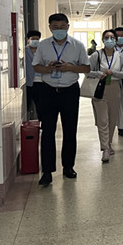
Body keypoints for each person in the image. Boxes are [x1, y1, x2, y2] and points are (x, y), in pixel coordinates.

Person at [32, 13, 90, 186]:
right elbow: (36, 66)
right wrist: (48, 68)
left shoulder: (78, 45)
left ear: (68, 27)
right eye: (55, 27)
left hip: (70, 91)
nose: (59, 30)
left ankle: (68, 167)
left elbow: (86, 68)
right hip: (48, 91)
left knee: (70, 130)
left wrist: (69, 67)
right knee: (47, 131)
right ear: (50, 27)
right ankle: (47, 171)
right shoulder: (43, 45)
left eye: (62, 27)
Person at [88, 30, 123, 162]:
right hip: (100, 89)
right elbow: (88, 71)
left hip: (115, 88)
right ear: (103, 40)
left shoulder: (120, 56)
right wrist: (99, 73)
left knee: (112, 119)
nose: (109, 40)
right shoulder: (96, 55)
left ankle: (109, 143)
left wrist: (114, 73)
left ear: (116, 40)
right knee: (103, 120)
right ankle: (105, 148)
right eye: (107, 37)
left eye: (112, 37)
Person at [25, 30, 44, 120]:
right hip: (29, 83)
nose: (35, 41)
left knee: (41, 107)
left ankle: (42, 124)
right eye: (33, 39)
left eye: (37, 39)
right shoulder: (24, 51)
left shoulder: (43, 51)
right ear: (28, 40)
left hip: (41, 82)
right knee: (26, 106)